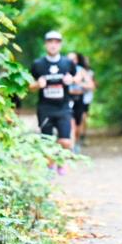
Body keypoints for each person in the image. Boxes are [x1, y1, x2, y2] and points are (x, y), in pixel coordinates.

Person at [30, 31, 77, 172]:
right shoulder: (37, 64)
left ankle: (61, 162)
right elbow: (29, 86)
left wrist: (71, 80)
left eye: (56, 42)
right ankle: (50, 167)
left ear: (60, 45)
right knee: (47, 141)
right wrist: (38, 84)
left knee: (65, 141)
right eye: (50, 42)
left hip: (63, 107)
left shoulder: (67, 63)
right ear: (45, 44)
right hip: (45, 108)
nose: (53, 45)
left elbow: (77, 77)